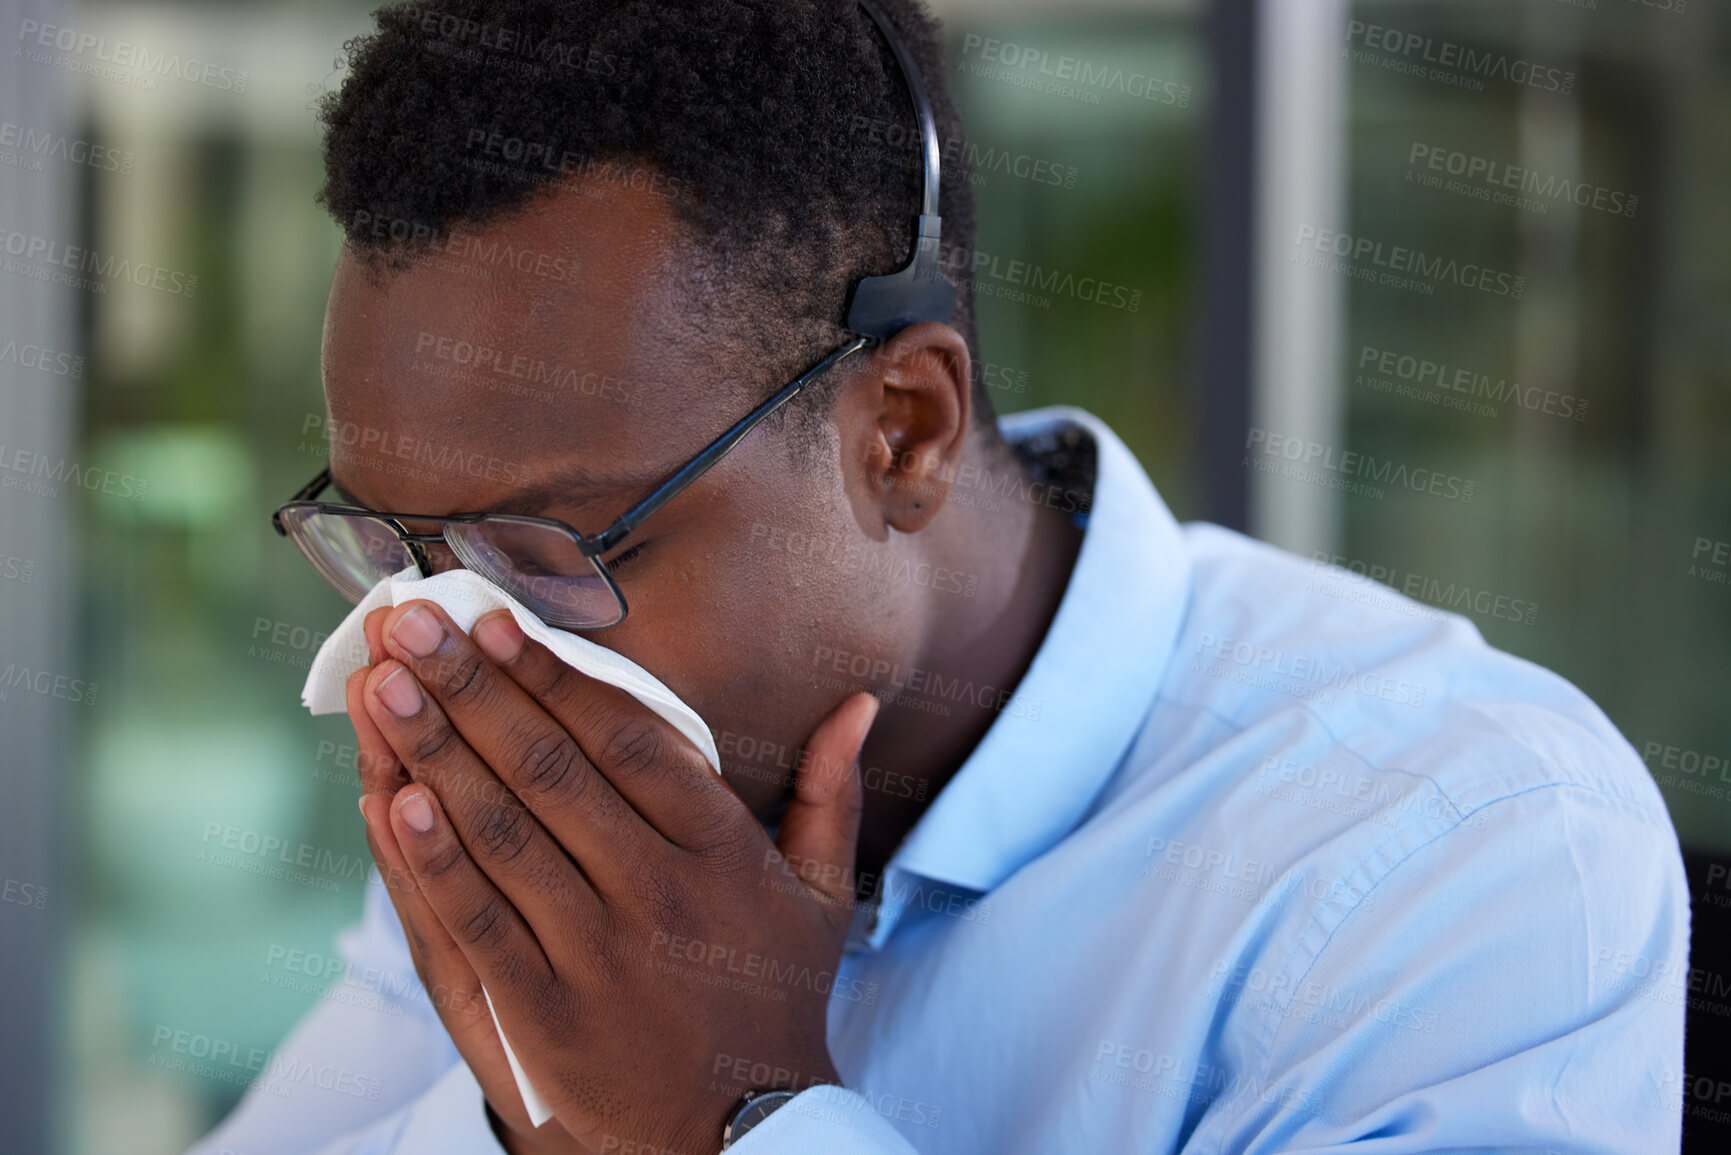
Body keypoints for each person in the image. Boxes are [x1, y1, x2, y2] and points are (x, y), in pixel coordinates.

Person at [191, 1, 1688, 1152]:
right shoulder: (567, 797)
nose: (455, 647)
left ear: (899, 430)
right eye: (400, 551)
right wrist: (536, 1115)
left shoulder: (1459, 846)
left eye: (556, 548)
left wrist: (738, 1116)